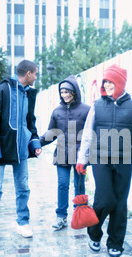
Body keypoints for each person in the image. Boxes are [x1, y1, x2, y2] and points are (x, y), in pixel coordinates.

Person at [76, 64, 132, 257]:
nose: (107, 85)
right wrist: (81, 159)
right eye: (105, 82)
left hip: (124, 160)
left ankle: (116, 242)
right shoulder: (97, 106)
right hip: (100, 159)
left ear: (120, 84)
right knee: (104, 199)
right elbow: (88, 135)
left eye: (111, 82)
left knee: (120, 203)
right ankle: (94, 233)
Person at [0, 60, 42, 246]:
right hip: (1, 149)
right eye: (36, 74)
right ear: (29, 73)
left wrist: (35, 143)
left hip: (21, 149)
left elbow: (30, 121)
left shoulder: (30, 94)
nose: (36, 77)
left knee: (23, 186)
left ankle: (22, 223)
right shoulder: (1, 90)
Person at [40, 75, 91, 230]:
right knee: (62, 185)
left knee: (79, 186)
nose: (65, 95)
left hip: (80, 156)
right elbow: (51, 133)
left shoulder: (87, 110)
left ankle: (79, 216)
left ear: (74, 92)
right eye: (62, 92)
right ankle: (61, 217)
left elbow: (91, 133)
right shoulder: (57, 112)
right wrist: (37, 143)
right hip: (61, 154)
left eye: (68, 91)